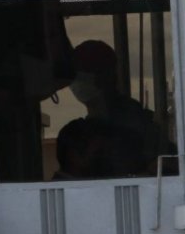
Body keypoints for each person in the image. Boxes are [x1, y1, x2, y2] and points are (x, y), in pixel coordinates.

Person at [68, 39, 166, 176]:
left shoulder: (132, 123)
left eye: (82, 75)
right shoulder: (89, 127)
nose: (75, 83)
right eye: (73, 76)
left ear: (106, 76)